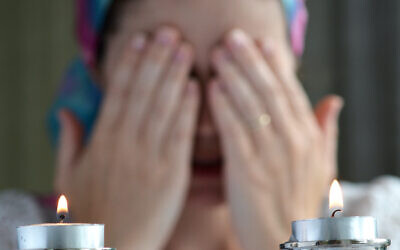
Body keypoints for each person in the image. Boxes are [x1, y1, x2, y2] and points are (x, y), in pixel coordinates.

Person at [1, 0, 400, 249]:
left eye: (241, 73)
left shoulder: (386, 221)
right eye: (171, 76)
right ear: (98, 73)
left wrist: (291, 239)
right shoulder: (13, 232)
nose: (208, 125)